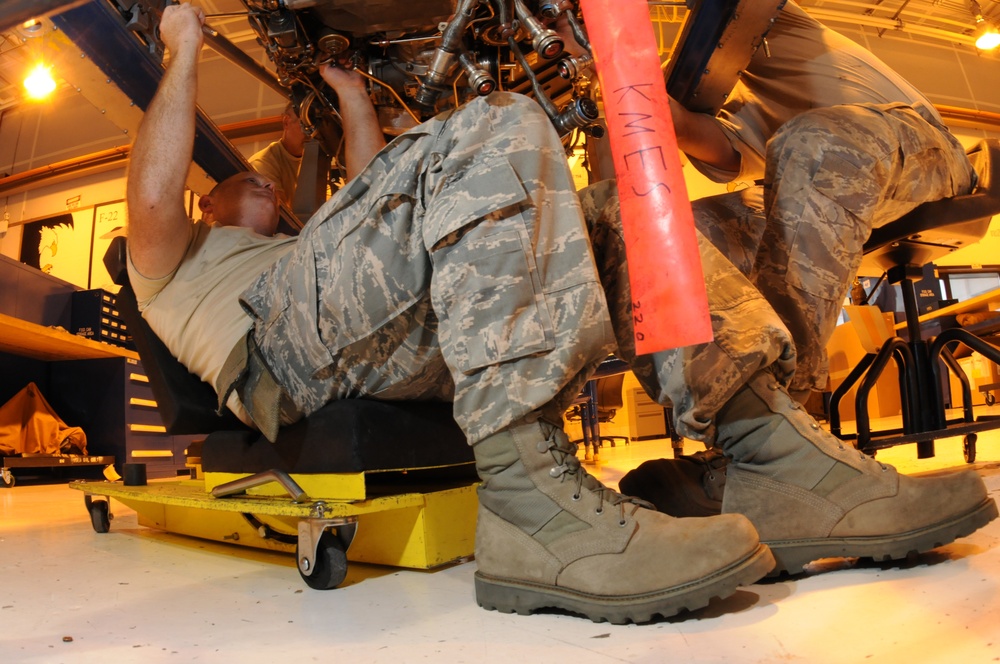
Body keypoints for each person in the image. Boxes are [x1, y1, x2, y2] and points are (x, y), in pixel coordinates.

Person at [126, 3, 995, 624]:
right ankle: (528, 506)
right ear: (210, 206)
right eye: (240, 182)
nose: (257, 187)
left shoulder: (315, 240)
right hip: (279, 356)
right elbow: (154, 192)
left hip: (383, 340)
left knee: (608, 211)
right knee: (491, 125)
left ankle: (768, 451)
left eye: (266, 189)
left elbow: (368, 195)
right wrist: (183, 43)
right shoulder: (175, 258)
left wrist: (351, 96)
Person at [620, 1, 977, 516]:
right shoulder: (729, 102)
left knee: (813, 145)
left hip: (914, 146)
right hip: (811, 179)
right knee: (671, 233)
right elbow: (700, 136)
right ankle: (739, 433)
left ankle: (786, 438)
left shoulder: (761, 22)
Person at [248, 102, 307, 206]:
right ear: (286, 122)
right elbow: (280, 213)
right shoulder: (263, 162)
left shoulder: (317, 160)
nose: (312, 134)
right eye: (306, 125)